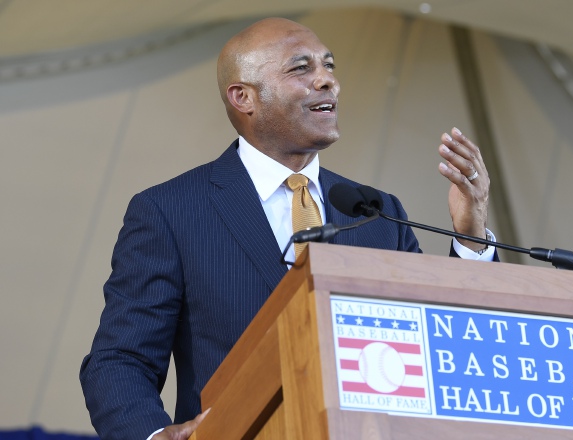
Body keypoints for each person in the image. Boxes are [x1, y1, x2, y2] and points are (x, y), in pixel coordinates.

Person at [80, 17, 496, 440]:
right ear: (243, 97)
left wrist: (471, 231)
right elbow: (120, 360)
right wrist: (153, 435)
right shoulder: (172, 211)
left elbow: (449, 347)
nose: (327, 81)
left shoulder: (377, 213)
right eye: (301, 68)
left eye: (329, 66)